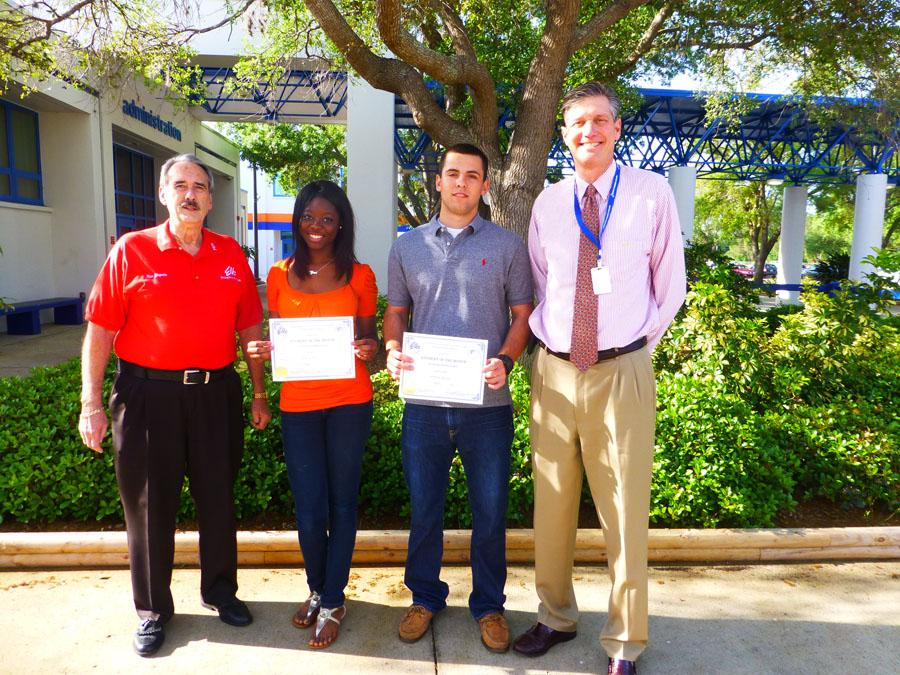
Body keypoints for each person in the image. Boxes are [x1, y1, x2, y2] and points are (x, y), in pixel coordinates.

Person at [511, 82, 686, 675]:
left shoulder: (651, 194)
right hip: (556, 372)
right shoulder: (547, 204)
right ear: (563, 133)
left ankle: (624, 641)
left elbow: (671, 287)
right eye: (577, 122)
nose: (589, 131)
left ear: (616, 128)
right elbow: (541, 281)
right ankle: (555, 616)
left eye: (600, 121)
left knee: (625, 509)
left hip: (622, 372)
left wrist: (633, 350)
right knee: (551, 504)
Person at [78, 153, 271, 657]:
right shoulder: (131, 250)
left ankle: (220, 592)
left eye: (200, 186)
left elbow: (250, 327)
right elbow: (100, 329)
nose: (191, 194)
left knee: (217, 497)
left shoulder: (232, 255)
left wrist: (258, 390)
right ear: (164, 194)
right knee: (147, 506)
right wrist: (90, 403)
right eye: (180, 185)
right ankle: (152, 610)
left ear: (211, 198)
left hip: (215, 393)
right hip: (146, 397)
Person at [384, 143, 533, 653]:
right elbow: (396, 312)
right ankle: (425, 597)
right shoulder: (407, 246)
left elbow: (522, 316)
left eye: (473, 176)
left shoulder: (509, 245)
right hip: (424, 405)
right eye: (453, 174)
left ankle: (490, 606)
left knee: (490, 513)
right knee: (425, 509)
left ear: (486, 185)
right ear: (439, 181)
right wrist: (390, 349)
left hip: (487, 409)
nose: (462, 183)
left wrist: (507, 361)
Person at [244, 180, 378, 650]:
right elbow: (277, 340)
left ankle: (334, 598)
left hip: (349, 403)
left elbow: (372, 345)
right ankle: (317, 589)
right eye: (308, 217)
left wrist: (369, 348)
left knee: (342, 504)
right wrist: (264, 349)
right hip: (297, 405)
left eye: (326, 219)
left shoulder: (360, 275)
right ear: (298, 220)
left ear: (341, 223)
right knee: (308, 507)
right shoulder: (278, 274)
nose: (316, 227)